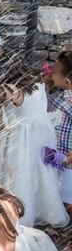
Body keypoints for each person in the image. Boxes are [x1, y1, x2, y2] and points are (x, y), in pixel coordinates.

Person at [0, 48, 68, 227]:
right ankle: (34, 209)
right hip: (36, 142)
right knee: (33, 178)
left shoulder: (15, 91)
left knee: (16, 180)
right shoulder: (37, 83)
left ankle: (16, 217)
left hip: (18, 144)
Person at [45, 50, 72, 209]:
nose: (50, 72)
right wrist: (49, 84)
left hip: (67, 160)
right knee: (55, 192)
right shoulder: (60, 96)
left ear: (67, 82)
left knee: (66, 199)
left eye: (54, 71)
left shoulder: (66, 102)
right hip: (57, 155)